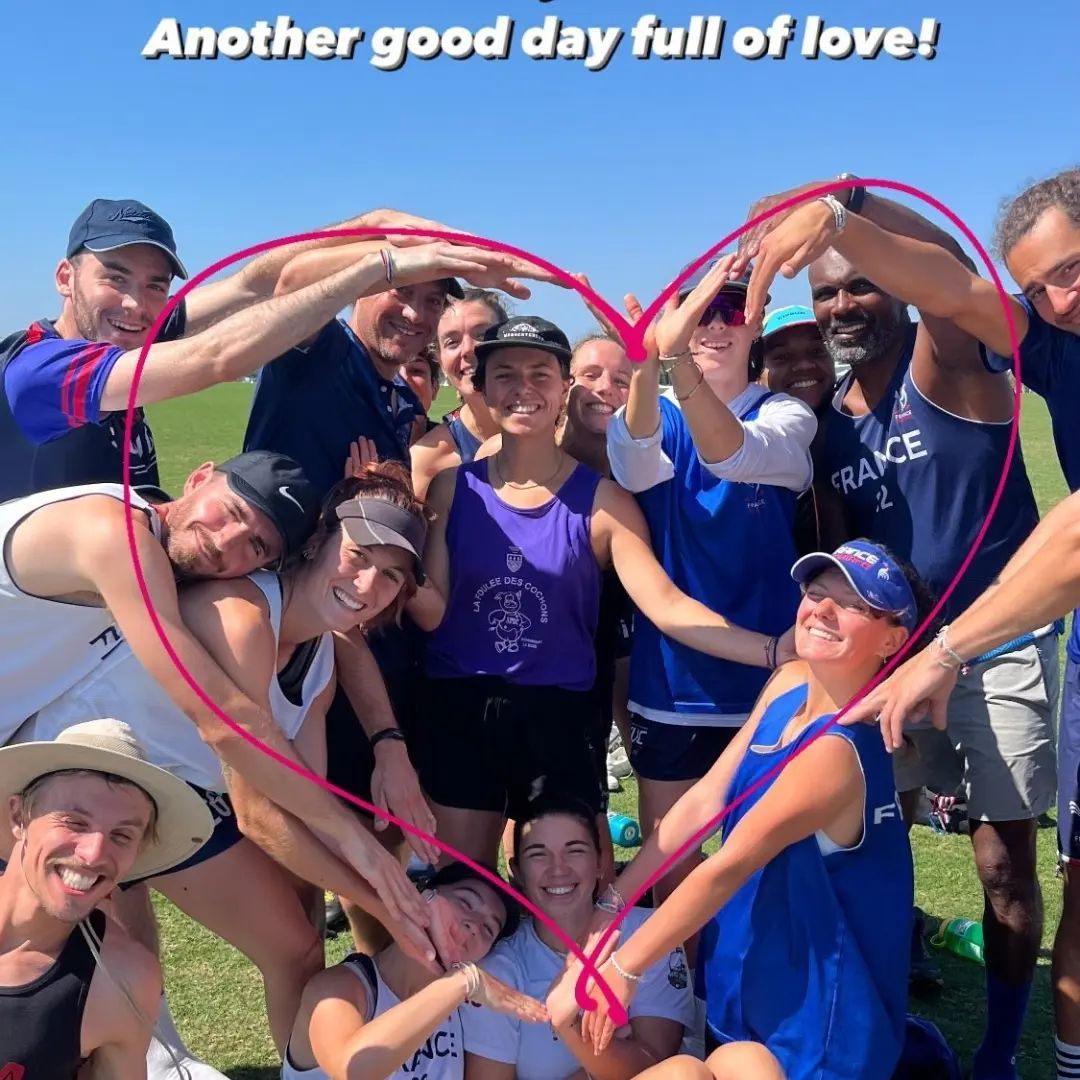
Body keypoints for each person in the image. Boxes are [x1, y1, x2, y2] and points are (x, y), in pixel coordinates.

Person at [744, 182, 1062, 1076]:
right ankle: (891, 994)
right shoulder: (830, 421)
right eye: (827, 293)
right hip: (897, 660)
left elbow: (953, 272)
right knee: (879, 839)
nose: (843, 305)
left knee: (1002, 864)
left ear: (893, 286)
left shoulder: (945, 359)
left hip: (998, 647)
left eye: (860, 284)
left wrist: (851, 201)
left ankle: (997, 1052)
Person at [27, 464, 438, 1054]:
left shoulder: (320, 665)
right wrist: (388, 902)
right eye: (358, 555)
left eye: (391, 576)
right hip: (72, 781)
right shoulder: (241, 616)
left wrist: (396, 899)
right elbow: (258, 813)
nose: (368, 584)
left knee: (299, 937)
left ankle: (306, 1067)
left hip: (169, 795)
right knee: (54, 960)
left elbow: (307, 808)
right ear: (317, 543)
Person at [412, 314, 796, 868]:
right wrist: (378, 549)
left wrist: (774, 650)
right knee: (462, 885)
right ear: (484, 390)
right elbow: (432, 612)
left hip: (559, 718)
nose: (523, 389)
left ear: (563, 388)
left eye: (540, 374)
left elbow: (667, 606)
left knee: (564, 888)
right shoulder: (452, 488)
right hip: (462, 707)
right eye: (505, 375)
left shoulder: (605, 503)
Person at [575, 540, 924, 1080]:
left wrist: (625, 965)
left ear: (893, 640)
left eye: (853, 605)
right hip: (752, 971)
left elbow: (727, 865)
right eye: (816, 592)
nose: (823, 611)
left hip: (817, 1021)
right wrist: (614, 901)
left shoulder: (840, 750)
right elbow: (704, 802)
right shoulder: (789, 682)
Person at [605, 257, 816, 967]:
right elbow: (635, 465)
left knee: (765, 862)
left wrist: (672, 365)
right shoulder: (653, 412)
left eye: (730, 311)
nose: (713, 327)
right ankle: (688, 1003)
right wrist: (645, 365)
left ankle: (752, 1001)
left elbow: (734, 457)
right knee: (673, 867)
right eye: (696, 314)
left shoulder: (786, 414)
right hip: (673, 686)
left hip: (772, 681)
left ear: (755, 323)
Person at [0, 199, 487, 501]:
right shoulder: (44, 369)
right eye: (115, 278)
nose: (135, 303)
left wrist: (372, 222)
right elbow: (216, 356)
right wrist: (382, 264)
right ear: (65, 278)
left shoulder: (136, 334)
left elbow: (253, 283)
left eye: (155, 285)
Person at [0, 717, 214, 1077]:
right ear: (19, 816)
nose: (94, 854)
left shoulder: (122, 981)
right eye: (74, 822)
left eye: (122, 835)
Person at [466, 794, 693, 1079]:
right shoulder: (499, 970)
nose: (558, 869)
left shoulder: (647, 933)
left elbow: (658, 1066)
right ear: (517, 872)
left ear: (600, 863)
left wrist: (568, 1024)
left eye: (575, 851)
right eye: (538, 854)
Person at [284, 861, 547, 1080]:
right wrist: (462, 982)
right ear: (425, 896)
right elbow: (352, 1069)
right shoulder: (341, 989)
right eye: (466, 902)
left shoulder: (463, 1010)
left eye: (489, 928)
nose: (474, 925)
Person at [411, 289, 508, 499]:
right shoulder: (427, 461)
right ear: (440, 361)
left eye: (481, 335)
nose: (468, 350)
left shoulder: (555, 433)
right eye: (452, 342)